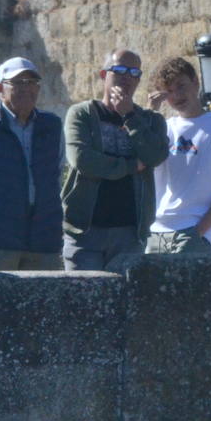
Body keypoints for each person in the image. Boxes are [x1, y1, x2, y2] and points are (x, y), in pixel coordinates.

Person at [62, 51, 170, 270]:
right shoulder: (82, 114)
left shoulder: (150, 121)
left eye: (134, 73)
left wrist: (130, 116)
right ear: (104, 74)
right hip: (85, 232)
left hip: (129, 233)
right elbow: (83, 160)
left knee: (124, 304)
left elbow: (156, 156)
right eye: (119, 70)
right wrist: (131, 166)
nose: (126, 77)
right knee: (82, 302)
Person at [145, 58, 211, 254]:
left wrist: (199, 232)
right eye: (169, 91)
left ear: (196, 82)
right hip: (155, 231)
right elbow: (141, 164)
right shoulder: (162, 128)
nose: (177, 95)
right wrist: (150, 113)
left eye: (181, 86)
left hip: (192, 231)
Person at [0, 57, 64, 269]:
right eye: (18, 83)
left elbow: (58, 173)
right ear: (0, 88)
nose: (27, 89)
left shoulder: (52, 126)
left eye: (32, 83)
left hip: (44, 242)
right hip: (1, 243)